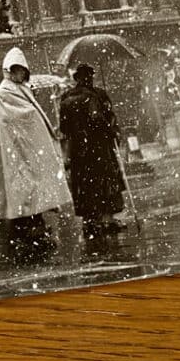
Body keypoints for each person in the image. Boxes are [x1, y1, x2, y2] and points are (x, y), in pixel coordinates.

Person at [0, 47, 73, 261]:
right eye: (17, 71)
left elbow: (31, 113)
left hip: (25, 147)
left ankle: (34, 228)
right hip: (17, 147)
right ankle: (29, 231)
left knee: (32, 186)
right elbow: (22, 116)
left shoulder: (17, 88)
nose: (20, 75)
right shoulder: (6, 91)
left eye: (22, 71)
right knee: (26, 187)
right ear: (11, 71)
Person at [59, 64, 127, 238]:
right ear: (90, 77)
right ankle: (107, 218)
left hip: (78, 150)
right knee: (104, 181)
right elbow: (99, 118)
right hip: (98, 147)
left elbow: (64, 128)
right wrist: (111, 131)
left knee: (85, 183)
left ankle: (89, 220)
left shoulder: (66, 98)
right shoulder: (96, 95)